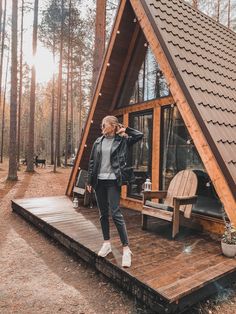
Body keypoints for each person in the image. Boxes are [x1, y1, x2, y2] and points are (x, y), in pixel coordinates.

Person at [87, 115, 143, 268]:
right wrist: (89, 181)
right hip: (99, 181)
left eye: (104, 125)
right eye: (102, 125)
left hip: (113, 181)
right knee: (103, 214)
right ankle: (106, 243)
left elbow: (139, 135)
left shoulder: (122, 140)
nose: (102, 127)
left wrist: (126, 129)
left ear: (113, 126)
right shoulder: (98, 142)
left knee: (115, 212)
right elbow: (92, 162)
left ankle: (126, 249)